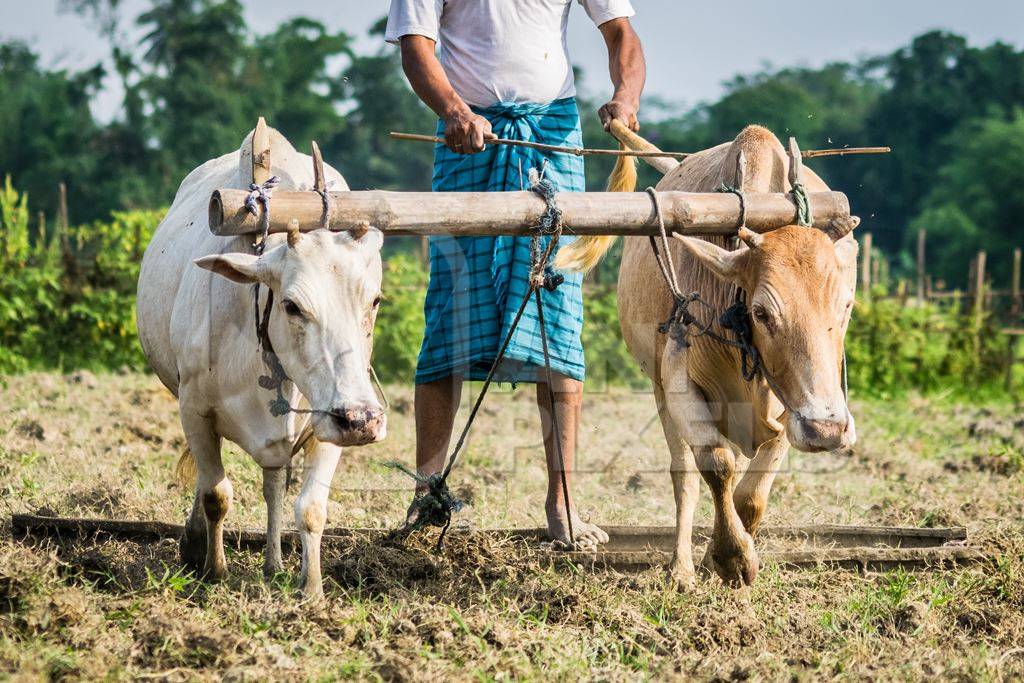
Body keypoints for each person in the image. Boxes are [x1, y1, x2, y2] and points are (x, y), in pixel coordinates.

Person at [385, 0, 645, 549]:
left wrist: (626, 97)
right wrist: (453, 110)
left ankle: (563, 503)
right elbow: (416, 47)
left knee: (559, 314)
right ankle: (428, 494)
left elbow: (621, 34)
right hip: (467, 140)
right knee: (449, 317)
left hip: (554, 136)